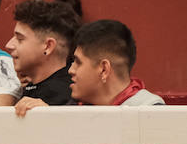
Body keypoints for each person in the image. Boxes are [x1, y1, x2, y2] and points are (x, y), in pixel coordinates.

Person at [18, 19, 164, 113]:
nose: (70, 70)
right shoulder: (72, 108)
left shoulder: (151, 113)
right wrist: (48, 118)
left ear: (103, 69)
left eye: (78, 62)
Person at [4, 0, 80, 110]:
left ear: (48, 46)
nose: (8, 45)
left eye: (20, 39)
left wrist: (49, 112)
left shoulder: (67, 96)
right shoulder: (33, 87)